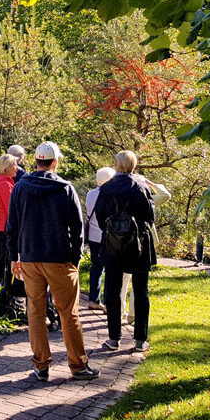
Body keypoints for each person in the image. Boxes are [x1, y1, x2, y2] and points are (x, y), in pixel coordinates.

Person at [6, 141, 98, 381]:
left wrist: (13, 258)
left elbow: (12, 227)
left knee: (35, 312)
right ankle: (78, 365)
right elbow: (78, 228)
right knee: (69, 313)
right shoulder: (65, 188)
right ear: (55, 162)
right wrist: (76, 259)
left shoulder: (20, 188)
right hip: (59, 259)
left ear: (36, 162)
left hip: (29, 258)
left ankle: (41, 365)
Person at [94, 150, 156, 352]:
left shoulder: (107, 187)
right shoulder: (141, 187)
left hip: (113, 243)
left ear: (116, 165)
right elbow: (150, 215)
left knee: (112, 290)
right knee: (141, 289)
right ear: (134, 165)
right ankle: (140, 339)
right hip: (139, 243)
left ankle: (114, 337)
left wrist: (114, 230)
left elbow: (101, 215)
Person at [119, 176, 171, 325]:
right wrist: (151, 183)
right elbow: (166, 195)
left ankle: (120, 313)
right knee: (138, 281)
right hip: (141, 241)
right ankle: (132, 315)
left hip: (123, 241)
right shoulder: (147, 200)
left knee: (123, 279)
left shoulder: (122, 197)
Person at [0, 154, 24, 311]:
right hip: (6, 227)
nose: (17, 167)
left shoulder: (3, 182)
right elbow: (13, 209)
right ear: (6, 167)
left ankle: (1, 290)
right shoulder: (4, 185)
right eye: (15, 165)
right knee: (8, 261)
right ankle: (5, 293)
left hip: (1, 225)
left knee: (4, 259)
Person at [84, 167, 117, 312]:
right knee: (109, 268)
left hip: (92, 235)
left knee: (96, 267)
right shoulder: (110, 195)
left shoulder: (90, 194)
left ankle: (93, 299)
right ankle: (107, 302)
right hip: (106, 235)